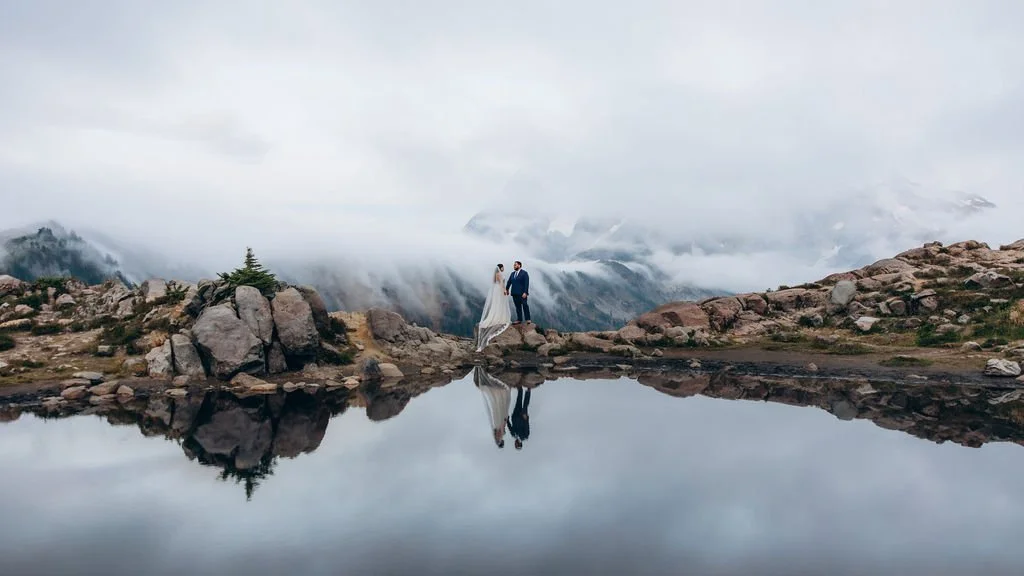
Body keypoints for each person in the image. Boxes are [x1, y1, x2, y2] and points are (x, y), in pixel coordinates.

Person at [475, 264, 512, 352]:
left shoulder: (496, 275)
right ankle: (499, 316)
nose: (503, 269)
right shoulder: (499, 274)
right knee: (499, 304)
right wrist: (505, 290)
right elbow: (501, 283)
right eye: (502, 267)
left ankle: (496, 314)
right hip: (499, 290)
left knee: (496, 304)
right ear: (500, 268)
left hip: (496, 290)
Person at [473, 366, 511, 448]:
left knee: (497, 399)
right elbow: (503, 424)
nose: (498, 439)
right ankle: (482, 371)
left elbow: (502, 425)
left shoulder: (499, 433)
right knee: (499, 398)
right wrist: (504, 422)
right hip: (499, 419)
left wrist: (504, 422)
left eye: (498, 441)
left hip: (499, 420)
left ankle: (481, 371)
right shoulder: (501, 433)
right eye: (500, 441)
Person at [504, 260, 530, 325]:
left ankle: (528, 319)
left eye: (515, 265)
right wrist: (507, 289)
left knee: (525, 305)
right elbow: (509, 282)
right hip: (514, 293)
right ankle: (519, 319)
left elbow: (526, 283)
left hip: (522, 293)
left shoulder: (524, 273)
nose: (514, 266)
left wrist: (525, 292)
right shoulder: (512, 274)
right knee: (517, 307)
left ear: (519, 265)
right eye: (514, 265)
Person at [506, 385, 531, 450]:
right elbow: (527, 427)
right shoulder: (525, 436)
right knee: (525, 405)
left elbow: (510, 427)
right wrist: (526, 419)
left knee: (518, 402)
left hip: (515, 416)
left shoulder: (513, 435)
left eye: (515, 445)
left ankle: (520, 389)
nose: (515, 444)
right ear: (519, 444)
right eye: (516, 445)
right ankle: (528, 390)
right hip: (523, 418)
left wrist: (507, 420)